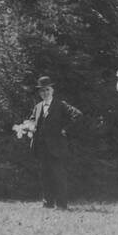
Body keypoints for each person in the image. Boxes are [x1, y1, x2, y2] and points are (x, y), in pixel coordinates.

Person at [28, 76, 82, 210]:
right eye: (42, 91)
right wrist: (29, 127)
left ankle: (62, 205)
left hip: (57, 148)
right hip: (41, 148)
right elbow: (32, 121)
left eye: (47, 90)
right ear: (39, 93)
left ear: (52, 90)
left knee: (59, 176)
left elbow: (77, 115)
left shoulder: (60, 104)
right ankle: (48, 203)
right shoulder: (38, 106)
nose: (44, 93)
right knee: (45, 176)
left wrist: (65, 129)